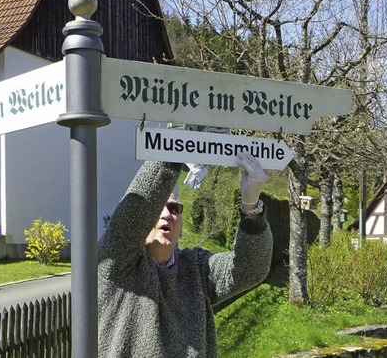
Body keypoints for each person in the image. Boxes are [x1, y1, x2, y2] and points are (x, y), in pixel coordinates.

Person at [97, 152, 273, 357]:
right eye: (158, 207)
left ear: (181, 227)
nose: (165, 214)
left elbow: (249, 269)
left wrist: (251, 208)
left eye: (173, 209)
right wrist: (174, 144)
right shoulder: (116, 261)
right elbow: (134, 210)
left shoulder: (197, 268)